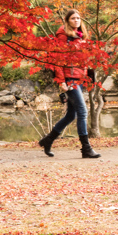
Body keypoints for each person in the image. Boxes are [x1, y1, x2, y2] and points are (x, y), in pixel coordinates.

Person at [38, 9, 101, 158]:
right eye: (73, 18)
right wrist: (61, 81)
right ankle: (86, 149)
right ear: (67, 21)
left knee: (71, 115)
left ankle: (48, 140)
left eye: (78, 18)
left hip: (79, 79)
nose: (76, 21)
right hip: (69, 79)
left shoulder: (80, 37)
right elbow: (57, 60)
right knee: (82, 111)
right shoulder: (63, 36)